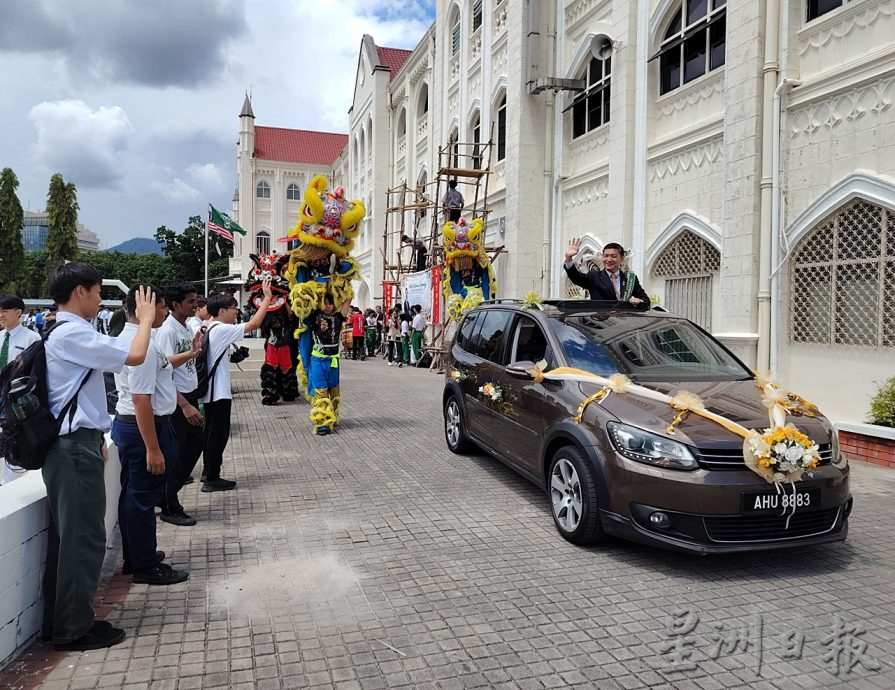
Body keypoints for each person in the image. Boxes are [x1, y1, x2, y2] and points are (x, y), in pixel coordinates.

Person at [42, 263, 155, 651]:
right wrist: (145, 320)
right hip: (73, 448)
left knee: (70, 538)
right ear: (78, 292)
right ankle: (73, 629)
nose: (99, 299)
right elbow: (136, 355)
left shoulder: (63, 331)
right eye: (95, 292)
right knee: (83, 539)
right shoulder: (71, 332)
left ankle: (62, 621)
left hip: (77, 442)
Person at [111, 286, 190, 586]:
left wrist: (192, 353)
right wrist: (153, 448)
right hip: (145, 426)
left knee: (133, 493)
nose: (165, 312)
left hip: (136, 425)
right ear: (143, 308)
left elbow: (163, 366)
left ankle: (136, 557)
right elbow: (142, 398)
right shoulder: (139, 343)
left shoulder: (141, 339)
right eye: (159, 306)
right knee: (143, 497)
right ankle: (143, 564)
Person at [198, 282, 272, 492]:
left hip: (212, 392)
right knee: (217, 435)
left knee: (212, 434)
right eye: (233, 309)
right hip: (217, 393)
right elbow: (253, 325)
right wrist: (266, 299)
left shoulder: (209, 326)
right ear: (222, 311)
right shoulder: (220, 329)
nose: (236, 313)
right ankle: (212, 477)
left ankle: (209, 472)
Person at [156, 283, 204, 525]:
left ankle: (166, 495)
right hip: (176, 401)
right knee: (176, 455)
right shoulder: (168, 332)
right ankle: (168, 503)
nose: (195, 305)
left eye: (196, 300)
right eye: (190, 301)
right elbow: (163, 372)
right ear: (175, 305)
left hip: (189, 394)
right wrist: (185, 405)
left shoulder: (184, 328)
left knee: (193, 446)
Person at [0, 294, 42, 485]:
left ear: (18, 313)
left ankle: (11, 481)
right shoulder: (0, 336)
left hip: (14, 398)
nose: (1, 315)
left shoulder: (31, 339)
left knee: (13, 437)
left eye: (4, 311)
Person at [305, 293, 350, 435]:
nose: (327, 306)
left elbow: (347, 300)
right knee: (321, 391)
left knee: (334, 391)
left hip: (333, 361)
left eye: (330, 303)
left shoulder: (338, 317)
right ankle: (322, 421)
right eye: (324, 303)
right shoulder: (314, 316)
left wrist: (345, 285)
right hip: (318, 360)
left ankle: (333, 416)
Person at [563, 239, 650, 310]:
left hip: (624, 326)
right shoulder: (595, 277)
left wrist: (639, 301)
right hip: (601, 325)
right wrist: (569, 258)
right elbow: (576, 277)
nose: (609, 259)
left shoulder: (630, 279)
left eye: (613, 256)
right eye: (606, 256)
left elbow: (646, 301)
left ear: (622, 258)